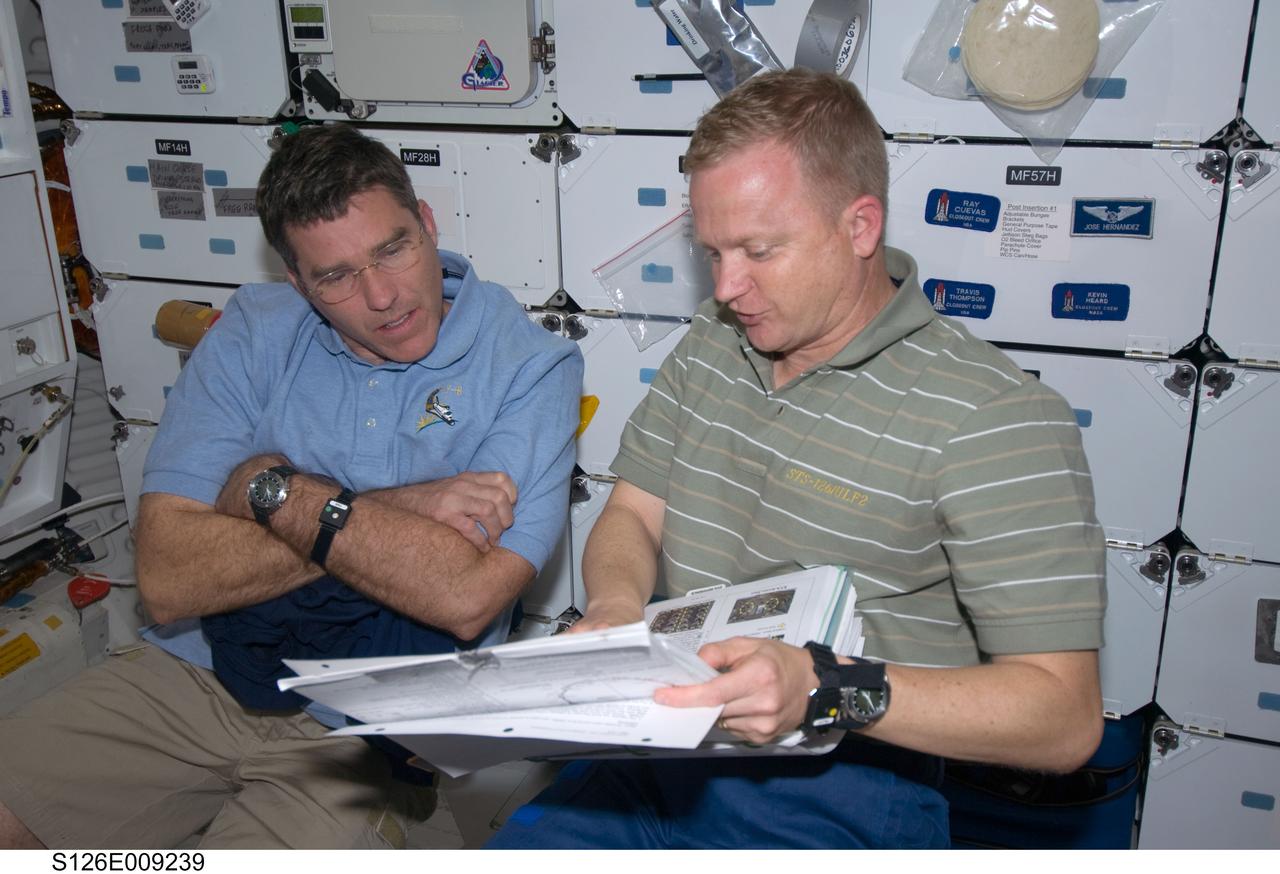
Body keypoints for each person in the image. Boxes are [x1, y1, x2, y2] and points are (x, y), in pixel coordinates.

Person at [488, 68, 1105, 850]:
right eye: (710, 251)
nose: (726, 286)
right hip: (659, 746)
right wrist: (614, 613)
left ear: (859, 227)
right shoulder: (717, 340)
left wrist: (825, 688)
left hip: (840, 784)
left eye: (758, 250)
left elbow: (1063, 718)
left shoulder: (996, 417)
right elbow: (634, 511)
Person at [0, 124, 583, 849]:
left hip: (368, 723)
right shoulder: (253, 329)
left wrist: (268, 489)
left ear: (428, 224)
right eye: (335, 276)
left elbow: (465, 597)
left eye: (393, 248)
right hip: (196, 671)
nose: (382, 296)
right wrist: (399, 506)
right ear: (297, 281)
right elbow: (170, 575)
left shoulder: (530, 366)